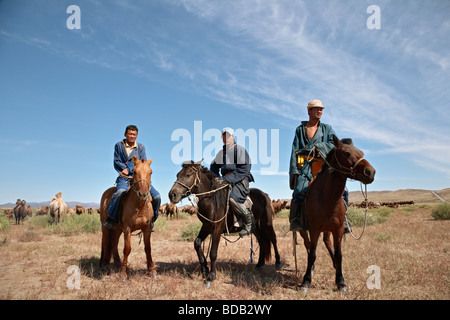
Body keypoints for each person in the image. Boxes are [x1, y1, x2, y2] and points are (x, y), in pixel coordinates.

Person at [288, 99, 336, 231]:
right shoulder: (300, 130)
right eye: (317, 109)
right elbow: (294, 151)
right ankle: (295, 220)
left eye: (321, 109)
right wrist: (295, 172)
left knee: (343, 191)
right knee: (299, 190)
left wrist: (319, 146)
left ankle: (344, 221)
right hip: (304, 167)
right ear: (309, 111)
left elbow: (333, 144)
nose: (320, 111)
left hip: (323, 167)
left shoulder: (327, 129)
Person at [103, 125, 161, 230]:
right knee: (120, 193)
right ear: (125, 134)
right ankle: (111, 218)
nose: (131, 136)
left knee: (157, 196)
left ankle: (152, 219)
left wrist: (132, 170)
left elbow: (143, 163)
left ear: (137, 136)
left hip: (139, 177)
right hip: (124, 178)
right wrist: (124, 169)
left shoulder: (141, 147)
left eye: (134, 134)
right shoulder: (119, 146)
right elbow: (116, 161)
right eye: (130, 134)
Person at [210, 127, 255, 237]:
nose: (226, 138)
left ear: (233, 137)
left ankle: (248, 221)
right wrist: (216, 178)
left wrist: (227, 179)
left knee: (232, 198)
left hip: (240, 179)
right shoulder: (221, 153)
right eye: (224, 136)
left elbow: (245, 168)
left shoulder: (239, 150)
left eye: (228, 136)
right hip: (225, 180)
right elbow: (213, 166)